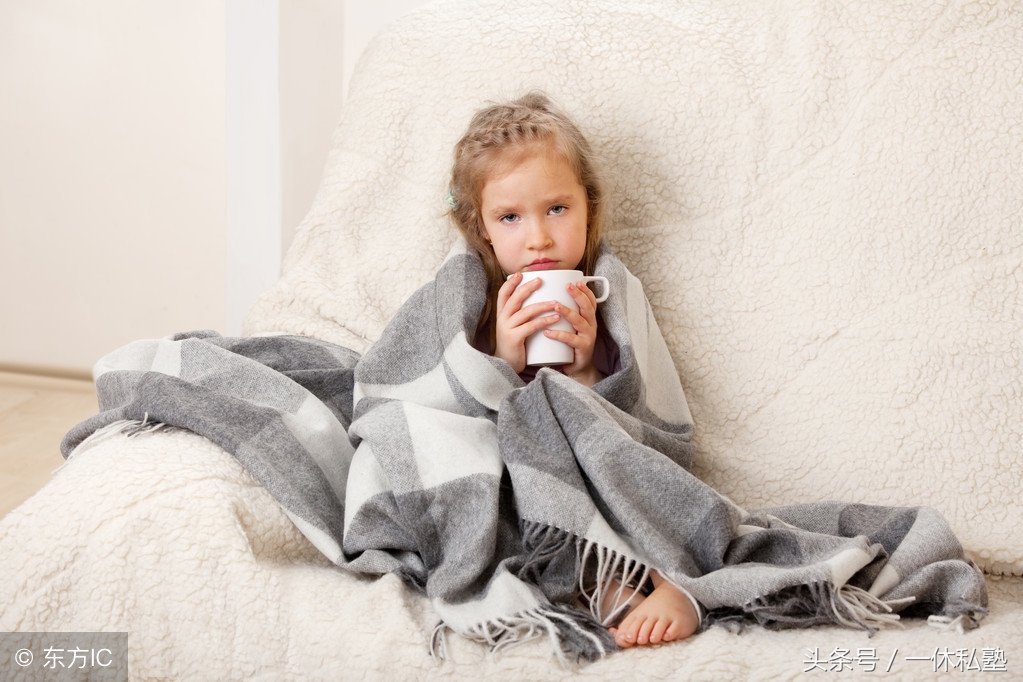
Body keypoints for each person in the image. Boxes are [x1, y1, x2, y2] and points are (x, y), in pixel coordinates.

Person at [446, 91, 700, 648]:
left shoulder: (606, 299)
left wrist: (586, 368)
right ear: (483, 228)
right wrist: (502, 363)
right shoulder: (471, 305)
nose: (538, 237)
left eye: (557, 209)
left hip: (594, 476)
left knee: (610, 466)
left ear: (589, 207)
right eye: (511, 217)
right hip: (520, 491)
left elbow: (633, 422)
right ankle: (595, 579)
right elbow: (449, 407)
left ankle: (669, 579)